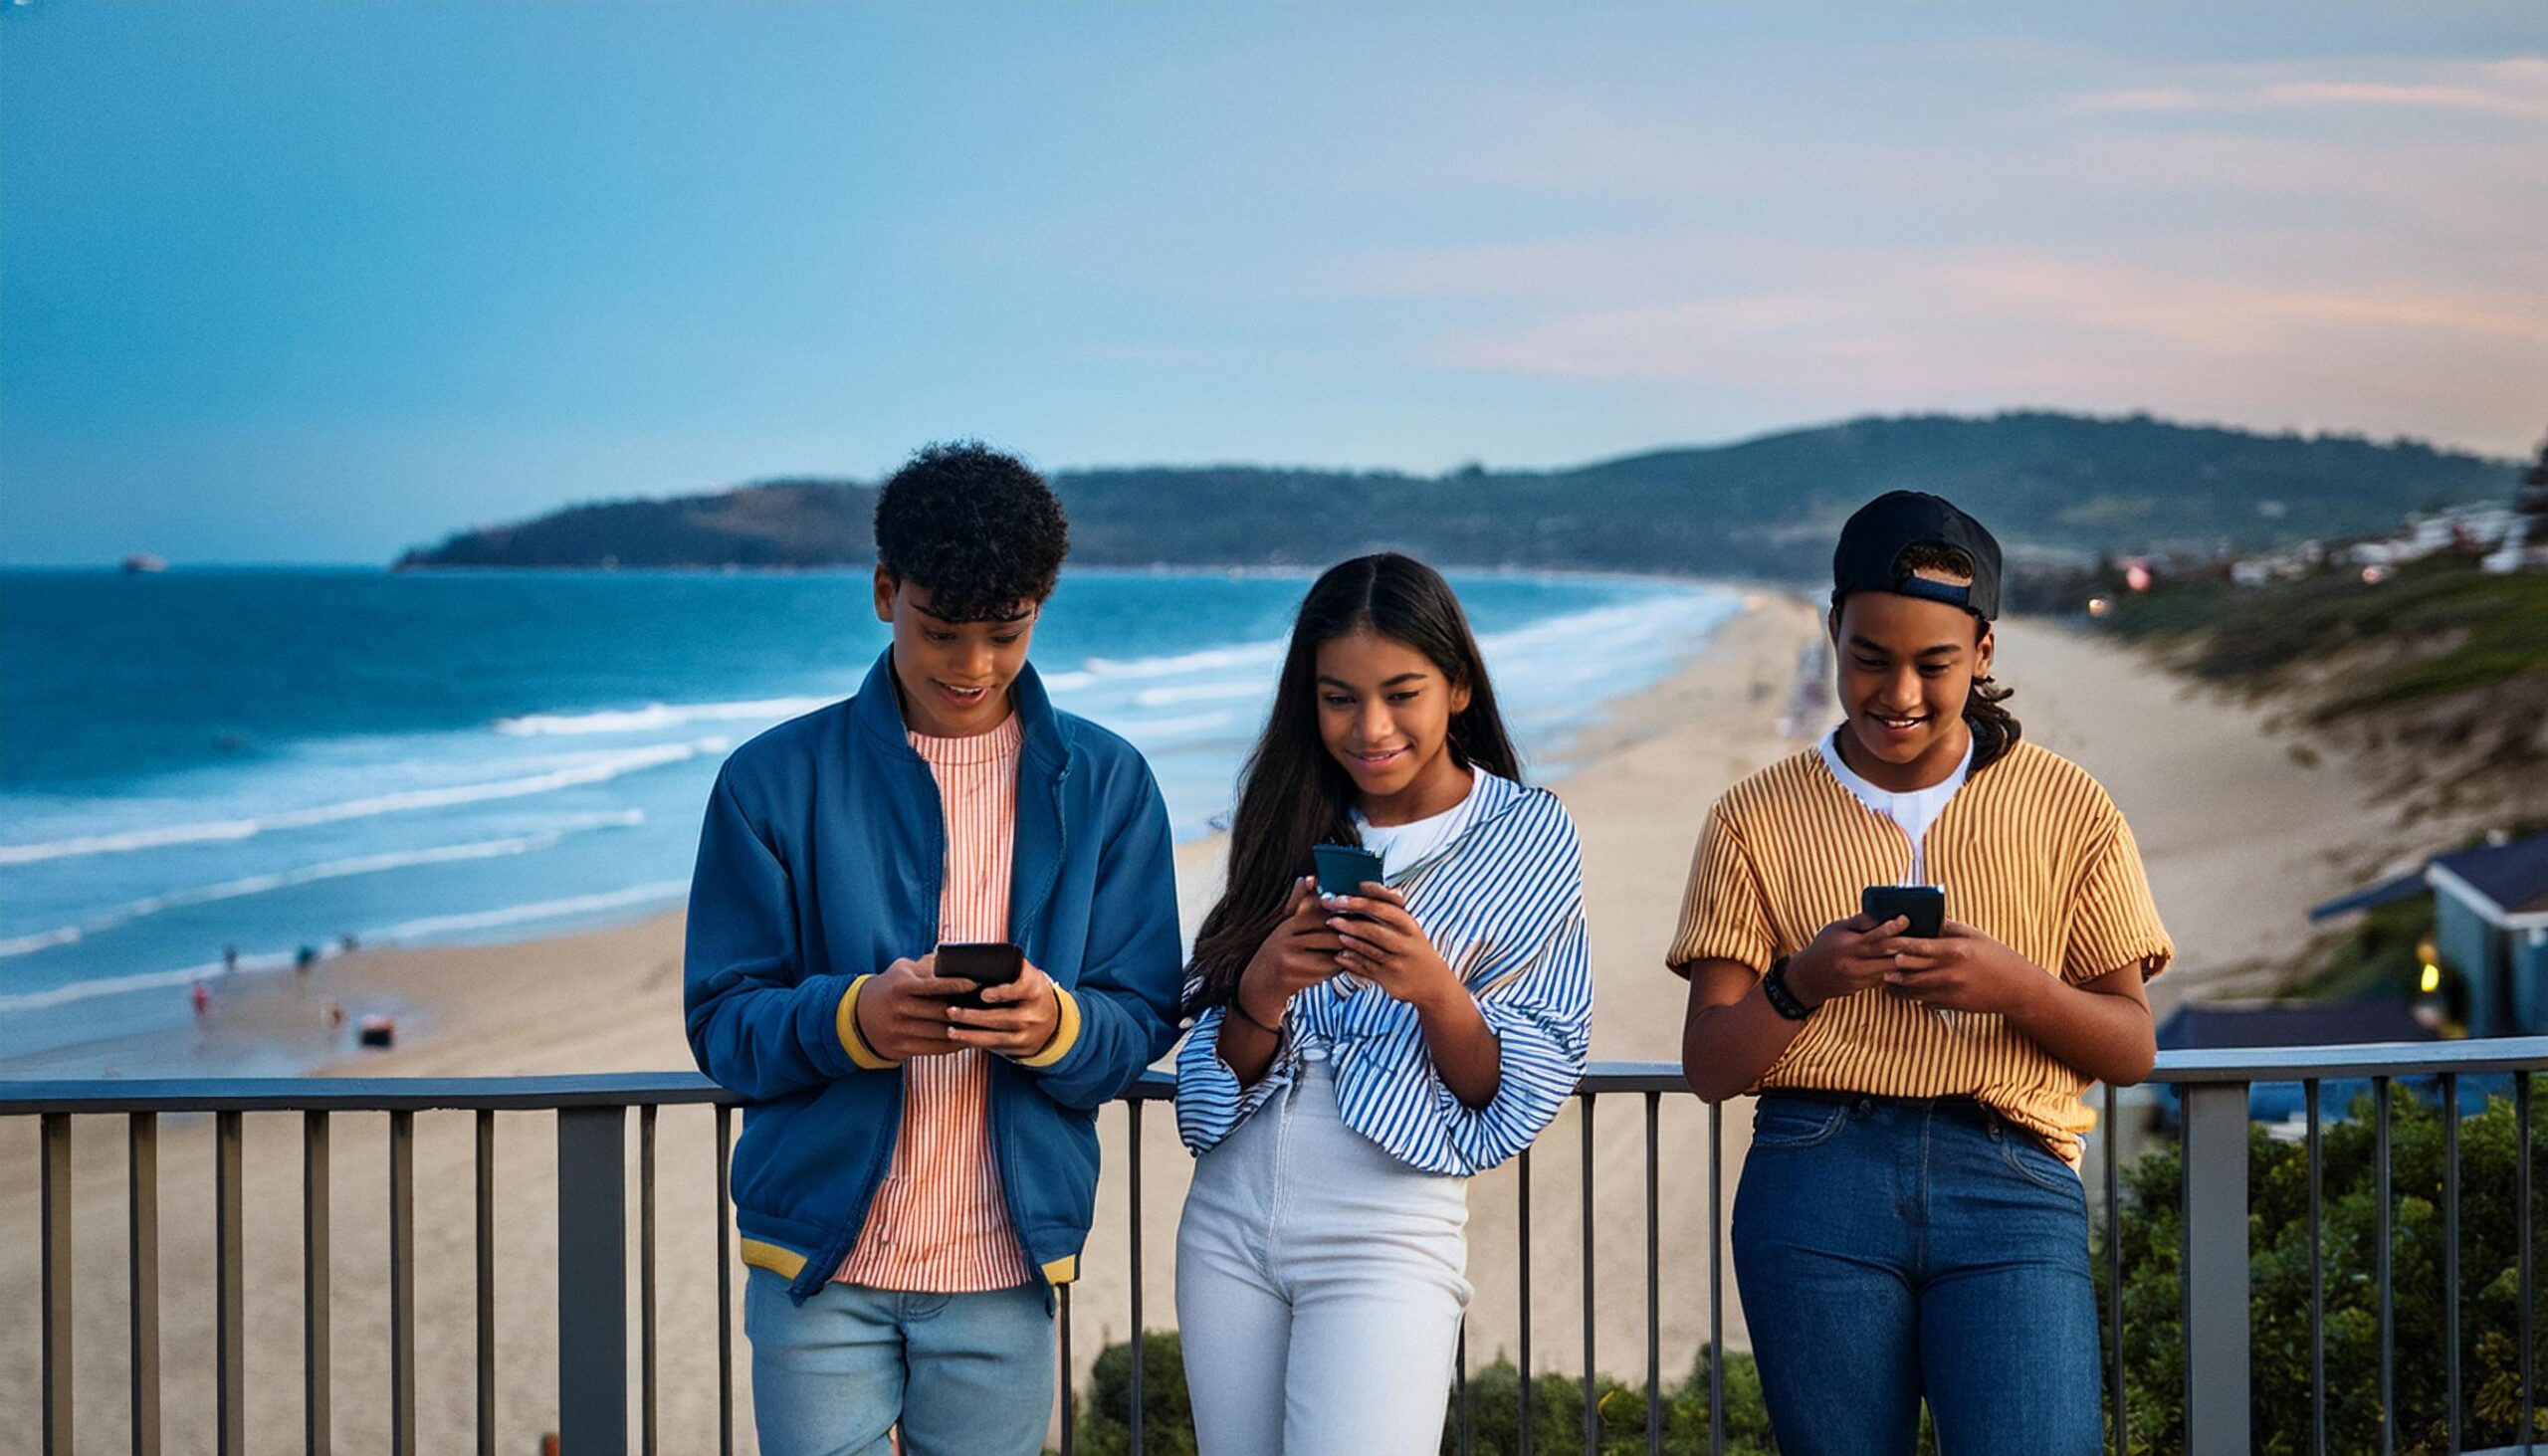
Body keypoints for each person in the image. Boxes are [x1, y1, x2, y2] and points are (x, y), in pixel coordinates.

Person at [684, 443, 1184, 1456]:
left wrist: (1057, 1024)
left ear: (1042, 603)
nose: (972, 666)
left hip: (1007, 1268)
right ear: (883, 592)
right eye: (940, 630)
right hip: (817, 1269)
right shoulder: (768, 780)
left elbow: (1138, 1017)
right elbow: (722, 1023)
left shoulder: (1109, 783)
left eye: (1005, 633)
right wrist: (852, 1019)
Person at [1673, 492, 2172, 1455]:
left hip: (2014, 1179)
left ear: (1982, 651)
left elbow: (2132, 1044)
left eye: (1932, 663)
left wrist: (2015, 984)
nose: (1896, 692)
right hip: (1813, 1177)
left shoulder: (2070, 806)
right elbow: (1708, 1064)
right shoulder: (1751, 815)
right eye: (1868, 657)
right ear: (1830, 633)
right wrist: (1802, 980)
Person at [1173, 552, 1592, 1456]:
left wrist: (1436, 990)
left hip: (1387, 1228)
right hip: (1226, 1220)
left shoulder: (1530, 832)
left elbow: (1515, 1086)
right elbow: (1214, 1075)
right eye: (1338, 697)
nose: (1369, 727)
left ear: (1459, 688)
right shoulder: (1282, 813)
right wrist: (1263, 986)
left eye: (1401, 693)